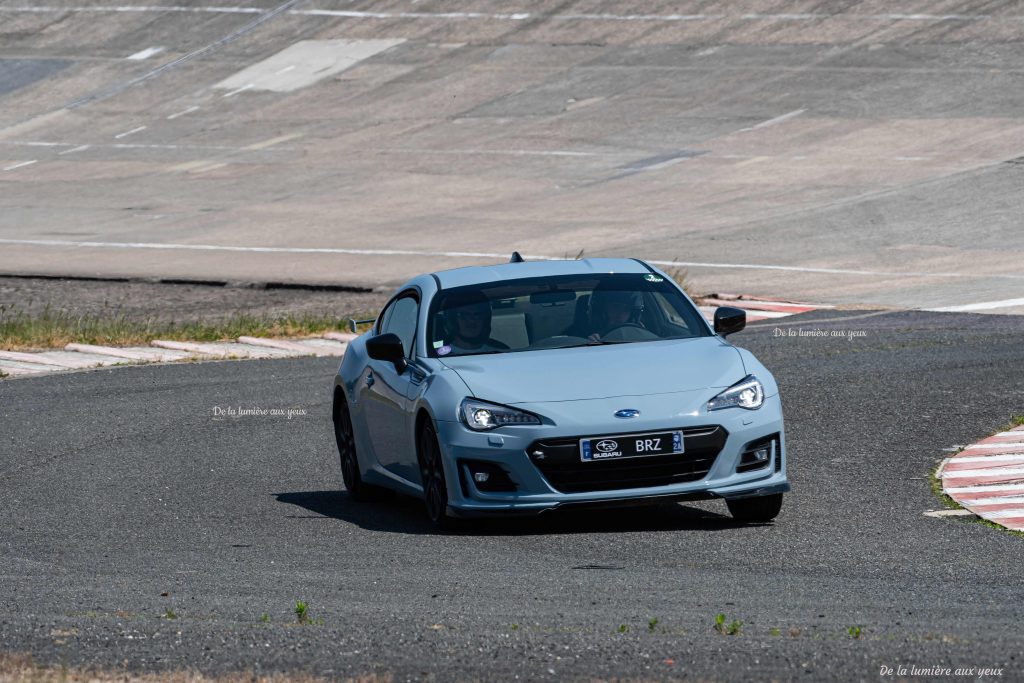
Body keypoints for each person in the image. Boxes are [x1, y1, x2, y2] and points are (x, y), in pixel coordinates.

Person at [439, 291, 509, 355]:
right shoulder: (437, 356)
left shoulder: (501, 352)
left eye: (478, 315)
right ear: (452, 320)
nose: (472, 320)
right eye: (464, 315)